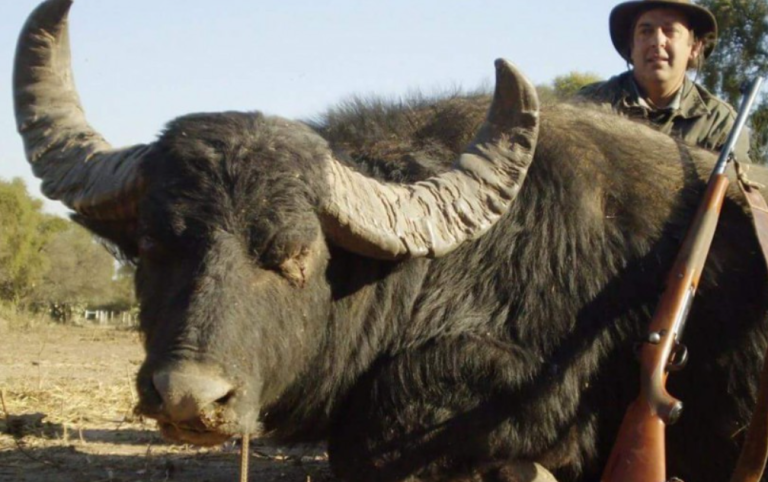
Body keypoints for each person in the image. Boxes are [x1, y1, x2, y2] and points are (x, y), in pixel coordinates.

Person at [578, 0, 751, 162]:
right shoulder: (589, 104)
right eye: (646, 31)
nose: (657, 41)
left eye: (670, 31)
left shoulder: (720, 123)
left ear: (695, 47)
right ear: (631, 47)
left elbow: (742, 189)